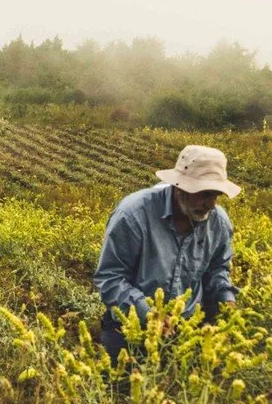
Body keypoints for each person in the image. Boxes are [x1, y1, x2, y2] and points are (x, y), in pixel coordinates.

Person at [93, 144, 241, 361]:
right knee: (122, 384)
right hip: (132, 323)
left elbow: (217, 270)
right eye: (204, 194)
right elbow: (111, 278)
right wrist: (149, 315)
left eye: (216, 195)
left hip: (187, 326)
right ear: (180, 187)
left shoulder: (218, 222)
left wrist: (226, 300)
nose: (211, 204)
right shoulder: (134, 215)